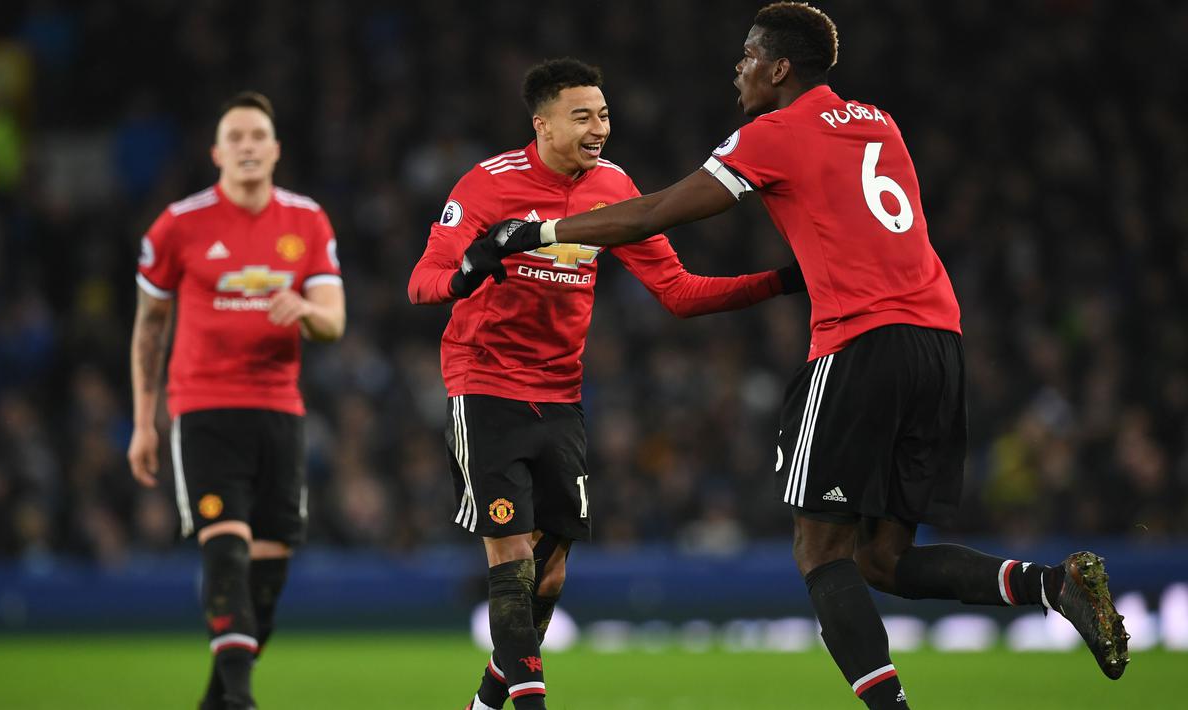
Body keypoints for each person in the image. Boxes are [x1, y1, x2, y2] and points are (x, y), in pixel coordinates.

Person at [481, 4, 1130, 709]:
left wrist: (539, 231)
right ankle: (1051, 585)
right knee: (881, 559)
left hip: (861, 342)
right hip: (939, 342)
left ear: (779, 67)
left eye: (748, 56)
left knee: (819, 553)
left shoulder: (773, 133)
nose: (739, 68)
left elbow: (654, 212)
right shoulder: (878, 120)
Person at [408, 58, 803, 710]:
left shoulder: (614, 185)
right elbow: (422, 280)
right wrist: (464, 276)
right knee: (510, 562)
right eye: (582, 116)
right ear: (542, 125)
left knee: (550, 571)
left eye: (604, 115)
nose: (599, 128)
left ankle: (483, 705)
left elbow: (678, 293)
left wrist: (783, 281)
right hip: (484, 385)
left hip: (561, 395)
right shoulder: (486, 185)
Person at [128, 91, 345, 710]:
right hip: (205, 409)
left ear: (275, 150)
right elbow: (149, 328)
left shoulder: (307, 221)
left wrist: (305, 309)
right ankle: (243, 703)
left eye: (258, 136)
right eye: (236, 137)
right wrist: (144, 422)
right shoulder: (178, 225)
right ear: (216, 152)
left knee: (267, 578)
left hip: (280, 410)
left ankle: (214, 703)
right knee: (225, 552)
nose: (248, 146)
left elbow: (334, 320)